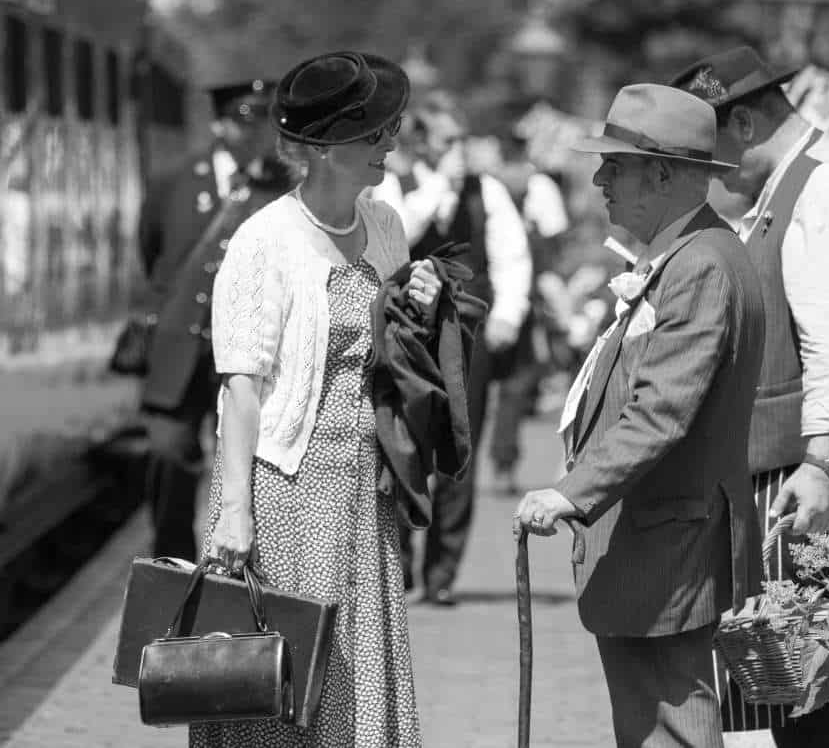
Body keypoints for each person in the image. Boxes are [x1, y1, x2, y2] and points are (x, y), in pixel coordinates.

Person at [672, 45, 829, 746]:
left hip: (824, 473)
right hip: (800, 468)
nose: (710, 171)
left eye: (709, 146)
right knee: (793, 701)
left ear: (742, 122)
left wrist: (822, 466)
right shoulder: (792, 184)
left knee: (821, 701)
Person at [514, 84, 765, 748]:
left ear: (661, 173)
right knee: (655, 723)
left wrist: (570, 494)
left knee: (669, 727)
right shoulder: (692, 254)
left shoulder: (701, 264)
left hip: (666, 542)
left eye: (615, 166)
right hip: (660, 535)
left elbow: (661, 410)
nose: (598, 179)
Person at [196, 50, 435, 746]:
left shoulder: (385, 223)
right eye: (376, 135)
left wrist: (420, 302)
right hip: (286, 489)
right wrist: (235, 513)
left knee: (357, 671)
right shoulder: (263, 241)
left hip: (366, 487)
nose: (390, 145)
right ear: (327, 149)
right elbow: (241, 384)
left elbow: (397, 351)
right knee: (287, 677)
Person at [375, 92, 532, 606]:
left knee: (459, 448)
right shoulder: (395, 188)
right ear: (422, 144)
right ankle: (398, 570)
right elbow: (402, 238)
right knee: (400, 444)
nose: (458, 150)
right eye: (448, 140)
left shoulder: (485, 191)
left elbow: (512, 254)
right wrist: (439, 185)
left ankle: (441, 573)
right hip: (405, 335)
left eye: (461, 139)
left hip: (465, 334)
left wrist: (508, 313)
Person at [137, 79, 295, 561]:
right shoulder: (176, 179)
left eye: (261, 125)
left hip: (250, 348)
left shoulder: (285, 187)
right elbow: (152, 249)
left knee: (250, 459)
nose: (252, 136)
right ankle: (174, 562)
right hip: (184, 344)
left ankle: (232, 562)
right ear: (219, 124)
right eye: (242, 123)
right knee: (169, 453)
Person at [485, 132, 571, 494]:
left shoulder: (486, 183)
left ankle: (455, 470)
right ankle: (504, 463)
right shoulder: (540, 186)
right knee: (517, 383)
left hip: (481, 291)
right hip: (525, 294)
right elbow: (554, 238)